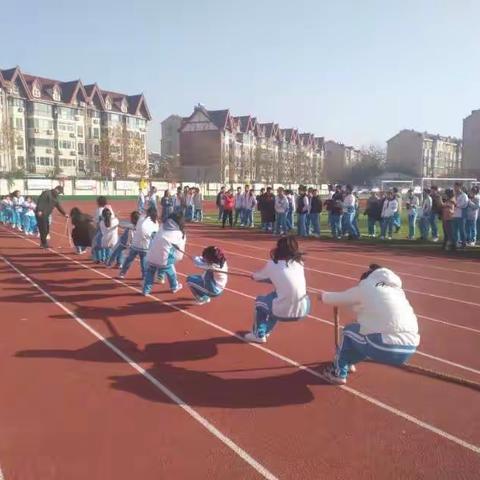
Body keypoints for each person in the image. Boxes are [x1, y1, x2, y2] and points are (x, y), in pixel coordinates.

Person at [319, 264, 419, 385]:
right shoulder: (397, 291)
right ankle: (348, 362)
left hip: (383, 345)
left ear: (366, 279)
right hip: (410, 347)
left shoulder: (367, 285)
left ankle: (338, 373)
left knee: (348, 332)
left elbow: (341, 298)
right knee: (362, 332)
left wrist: (323, 296)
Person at [244, 236, 311, 343]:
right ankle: (265, 330)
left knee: (260, 302)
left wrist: (253, 276)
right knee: (275, 297)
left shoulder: (273, 264)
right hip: (304, 309)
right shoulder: (299, 263)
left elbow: (258, 277)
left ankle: (258, 334)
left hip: (284, 311)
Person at [143, 213, 186, 294]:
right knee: (171, 270)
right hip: (163, 260)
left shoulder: (162, 226)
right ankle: (174, 286)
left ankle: (146, 290)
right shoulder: (178, 233)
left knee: (151, 272)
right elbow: (179, 248)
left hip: (151, 256)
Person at [119, 206, 159, 279]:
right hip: (145, 245)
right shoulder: (155, 223)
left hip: (136, 244)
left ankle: (122, 272)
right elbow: (155, 235)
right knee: (143, 261)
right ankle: (144, 275)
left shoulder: (142, 218)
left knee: (129, 259)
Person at [453, 182, 468, 248]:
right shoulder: (454, 195)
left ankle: (464, 243)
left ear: (459, 187)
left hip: (461, 215)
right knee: (455, 230)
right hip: (454, 215)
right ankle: (456, 243)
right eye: (454, 187)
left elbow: (464, 204)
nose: (455, 188)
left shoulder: (464, 195)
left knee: (462, 230)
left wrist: (456, 205)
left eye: (456, 187)